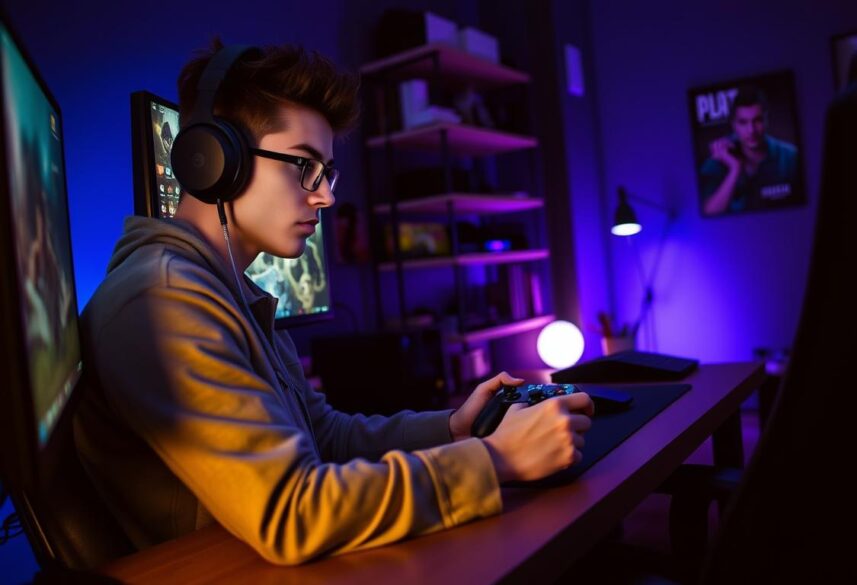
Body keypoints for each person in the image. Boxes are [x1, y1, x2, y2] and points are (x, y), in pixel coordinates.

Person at [73, 40, 593, 565]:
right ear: (216, 161)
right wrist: (496, 458)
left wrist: (454, 427)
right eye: (304, 166)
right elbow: (292, 511)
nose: (326, 196)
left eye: (326, 173)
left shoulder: (225, 288)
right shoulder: (163, 301)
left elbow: (325, 435)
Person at [699, 86, 799, 216]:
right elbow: (709, 212)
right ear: (733, 125)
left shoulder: (791, 156)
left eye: (757, 120)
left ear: (766, 120)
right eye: (743, 122)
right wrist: (735, 169)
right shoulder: (718, 158)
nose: (751, 130)